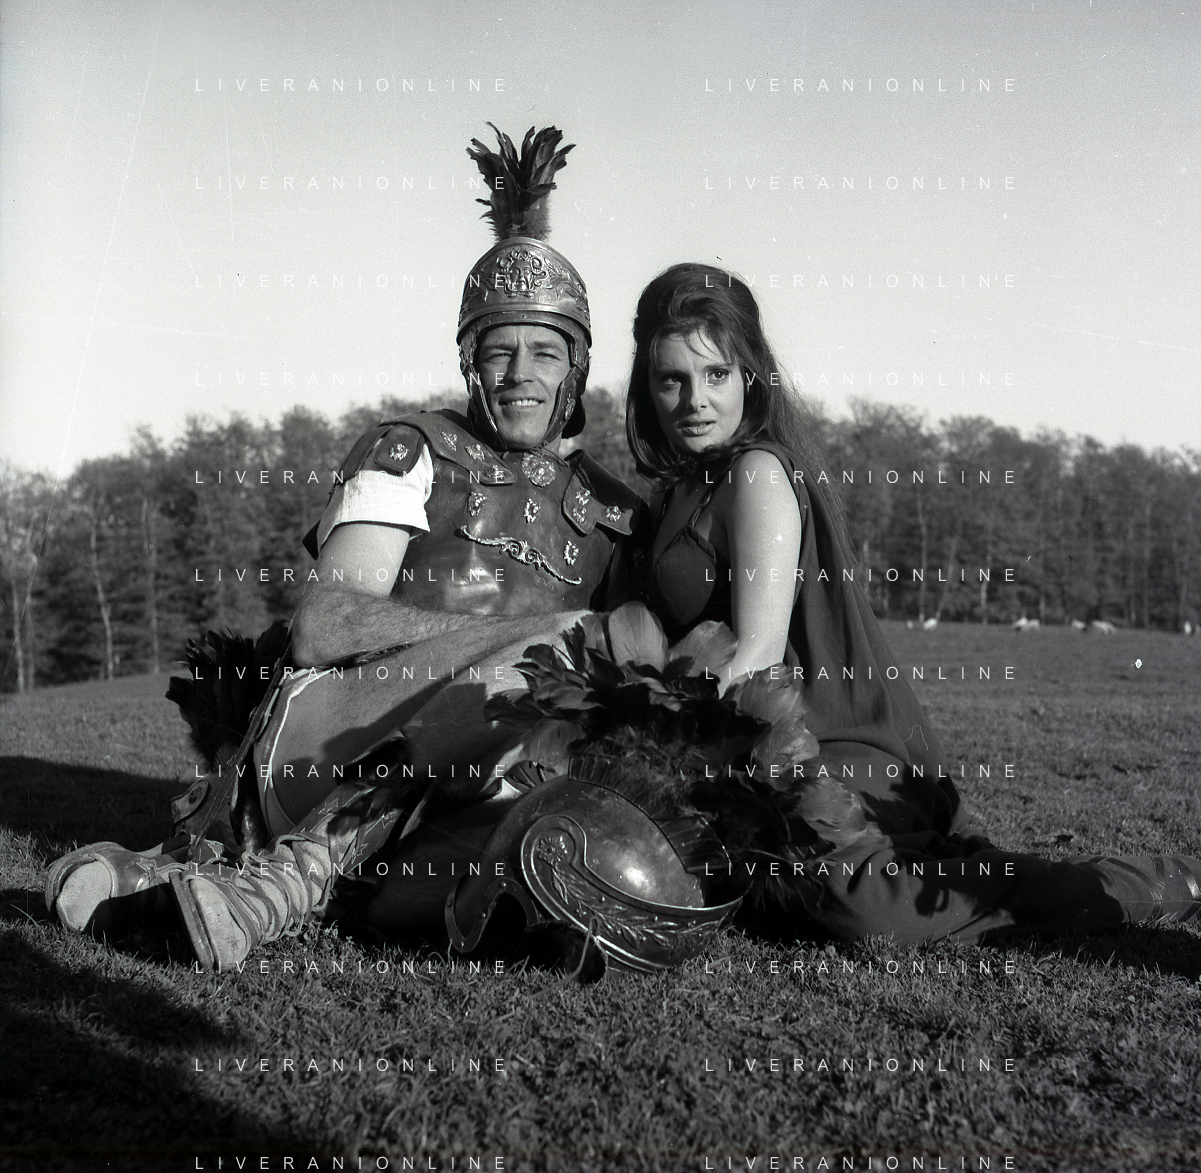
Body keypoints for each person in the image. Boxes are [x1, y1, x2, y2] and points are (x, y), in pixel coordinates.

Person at [44, 126, 643, 969]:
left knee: (567, 848)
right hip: (337, 739)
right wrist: (512, 643)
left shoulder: (614, 512)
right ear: (469, 363)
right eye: (498, 350)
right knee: (562, 647)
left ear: (575, 370)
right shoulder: (412, 449)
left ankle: (167, 882)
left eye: (544, 351)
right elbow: (322, 626)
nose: (520, 373)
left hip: (489, 786)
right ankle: (286, 878)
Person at [622, 262, 1201, 944]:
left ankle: (1151, 882)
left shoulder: (755, 474)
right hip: (732, 749)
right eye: (672, 379)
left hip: (822, 741)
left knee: (865, 909)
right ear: (646, 386)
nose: (695, 400)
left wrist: (648, 736)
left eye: (716, 374)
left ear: (750, 375)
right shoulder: (675, 488)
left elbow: (755, 655)